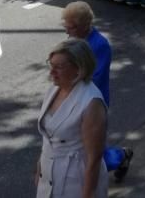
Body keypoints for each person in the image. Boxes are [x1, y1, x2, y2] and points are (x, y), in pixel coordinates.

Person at [61, 2, 134, 182]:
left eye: (71, 27)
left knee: (90, 151)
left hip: (92, 106)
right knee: (80, 147)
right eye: (66, 26)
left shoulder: (100, 45)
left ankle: (120, 157)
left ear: (84, 25)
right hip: (74, 101)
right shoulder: (76, 40)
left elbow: (95, 78)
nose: (67, 31)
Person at [36, 39, 108, 197]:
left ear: (79, 69)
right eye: (51, 65)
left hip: (75, 181)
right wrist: (40, 170)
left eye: (59, 67)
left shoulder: (91, 103)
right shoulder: (55, 89)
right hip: (48, 177)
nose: (51, 72)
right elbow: (48, 138)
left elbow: (94, 157)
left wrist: (88, 194)